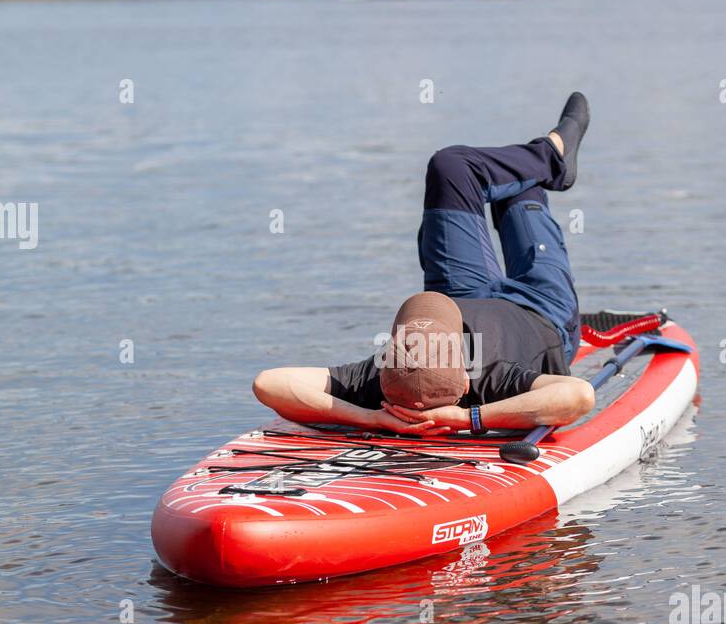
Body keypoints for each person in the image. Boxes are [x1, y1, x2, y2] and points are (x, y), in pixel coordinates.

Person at [253, 92, 596, 436]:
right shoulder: (490, 376)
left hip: (456, 295)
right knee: (521, 192)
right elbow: (578, 395)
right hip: (541, 308)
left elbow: (268, 383)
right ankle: (548, 159)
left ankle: (549, 155)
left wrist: (370, 418)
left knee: (450, 166)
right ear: (465, 383)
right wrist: (470, 418)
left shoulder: (384, 375)